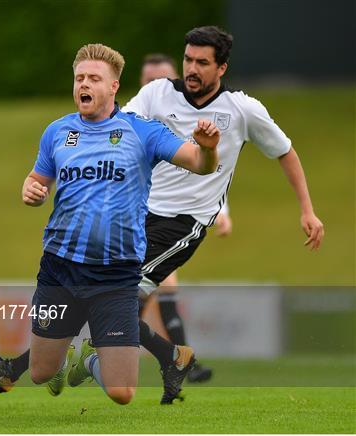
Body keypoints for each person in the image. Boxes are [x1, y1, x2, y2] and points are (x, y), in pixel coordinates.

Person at [0, 43, 220, 405]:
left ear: (114, 87)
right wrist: (31, 189)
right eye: (79, 78)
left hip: (115, 276)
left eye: (92, 78)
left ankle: (88, 360)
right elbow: (38, 179)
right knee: (40, 373)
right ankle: (57, 361)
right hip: (60, 269)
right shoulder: (57, 132)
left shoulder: (142, 132)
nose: (83, 85)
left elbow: (200, 163)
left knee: (122, 393)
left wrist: (209, 148)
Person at [123, 25, 324, 387]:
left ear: (222, 68)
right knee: (109, 299)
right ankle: (173, 359)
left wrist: (307, 210)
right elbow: (121, 128)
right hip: (138, 211)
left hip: (185, 222)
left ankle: (45, 365)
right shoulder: (156, 93)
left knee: (116, 295)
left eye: (202, 62)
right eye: (187, 59)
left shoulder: (242, 110)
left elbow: (286, 153)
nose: (191, 69)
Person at [139, 53, 233, 383]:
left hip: (169, 223)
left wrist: (222, 211)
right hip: (137, 217)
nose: (154, 85)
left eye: (159, 80)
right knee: (122, 303)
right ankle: (176, 360)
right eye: (148, 81)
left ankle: (178, 359)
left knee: (132, 297)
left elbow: (210, 172)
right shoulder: (141, 119)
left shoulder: (185, 124)